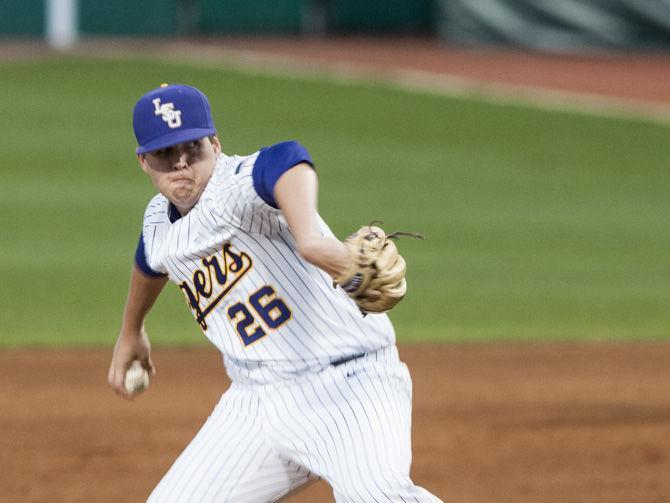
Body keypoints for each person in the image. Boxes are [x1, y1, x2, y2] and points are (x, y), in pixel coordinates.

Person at [108, 83, 442, 503]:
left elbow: (286, 158)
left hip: (346, 384)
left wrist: (313, 241)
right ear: (143, 161)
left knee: (377, 496)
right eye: (164, 153)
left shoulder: (233, 185)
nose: (180, 163)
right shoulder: (159, 218)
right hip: (255, 402)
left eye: (192, 148)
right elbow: (150, 259)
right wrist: (131, 329)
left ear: (215, 143)